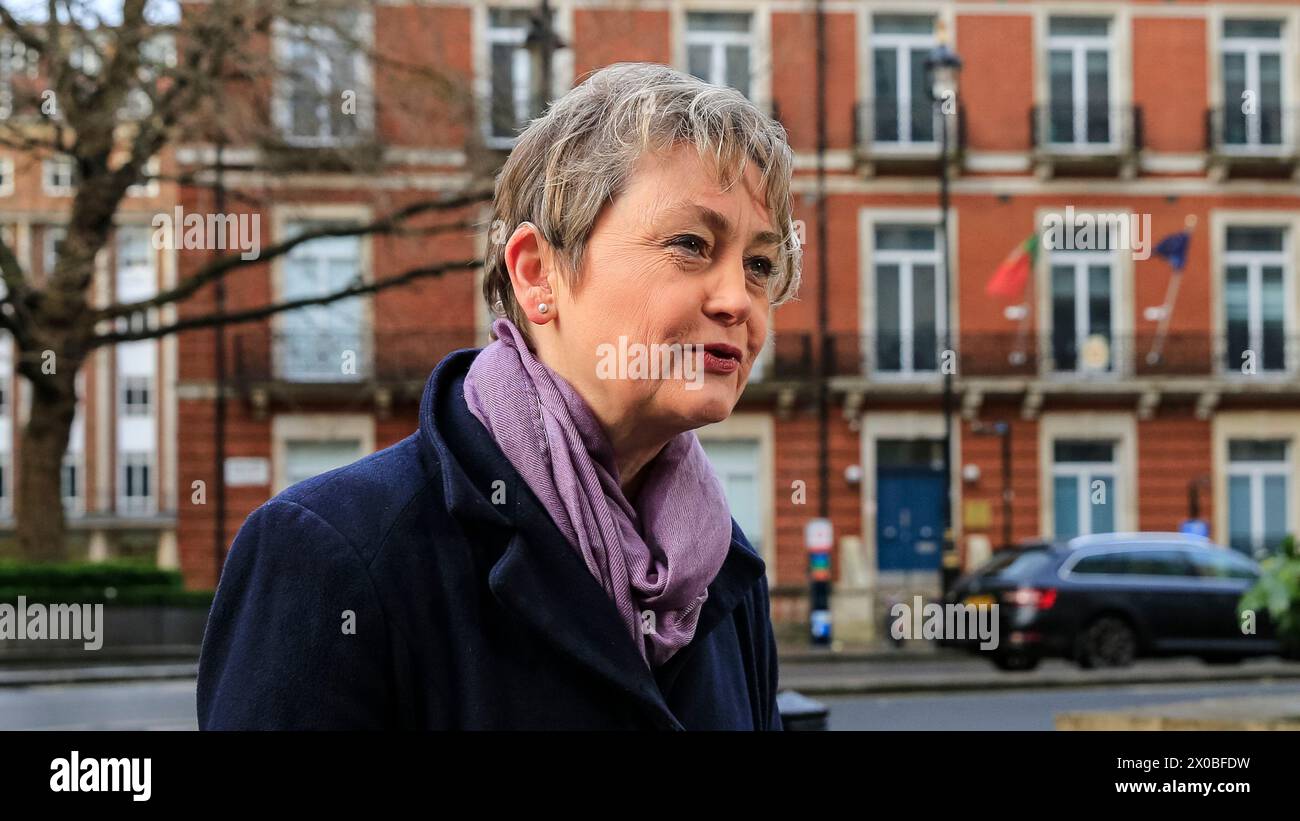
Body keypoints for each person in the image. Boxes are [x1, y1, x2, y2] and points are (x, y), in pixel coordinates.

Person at [197, 61, 802, 730]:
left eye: (759, 264)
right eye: (690, 244)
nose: (737, 301)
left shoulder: (725, 571)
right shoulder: (331, 554)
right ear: (537, 274)